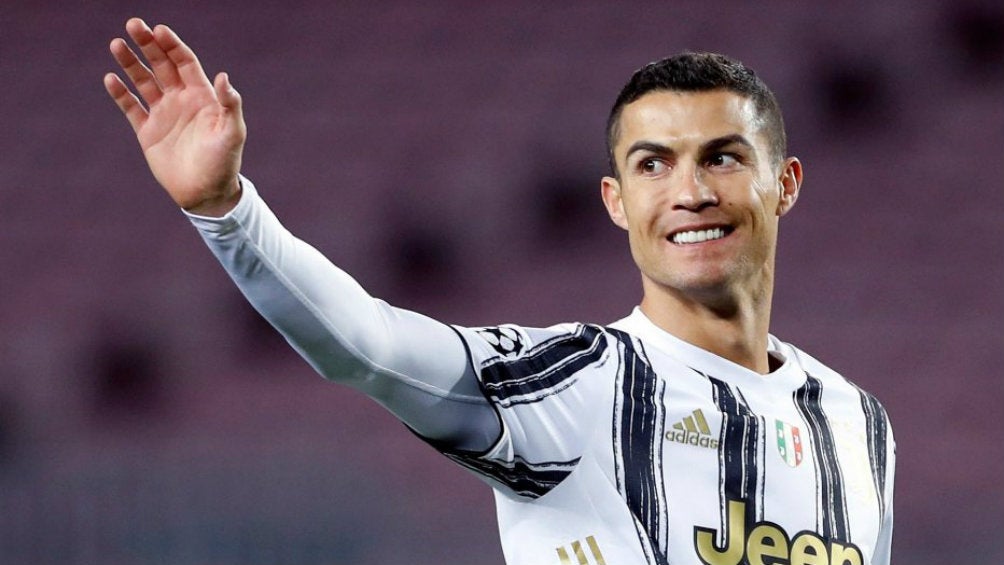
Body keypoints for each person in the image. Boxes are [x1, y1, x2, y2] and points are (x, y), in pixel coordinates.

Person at [105, 17, 894, 565]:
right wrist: (227, 211)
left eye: (722, 156)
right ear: (616, 201)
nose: (689, 192)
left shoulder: (859, 424)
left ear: (784, 183)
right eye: (653, 164)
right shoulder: (580, 383)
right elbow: (366, 346)